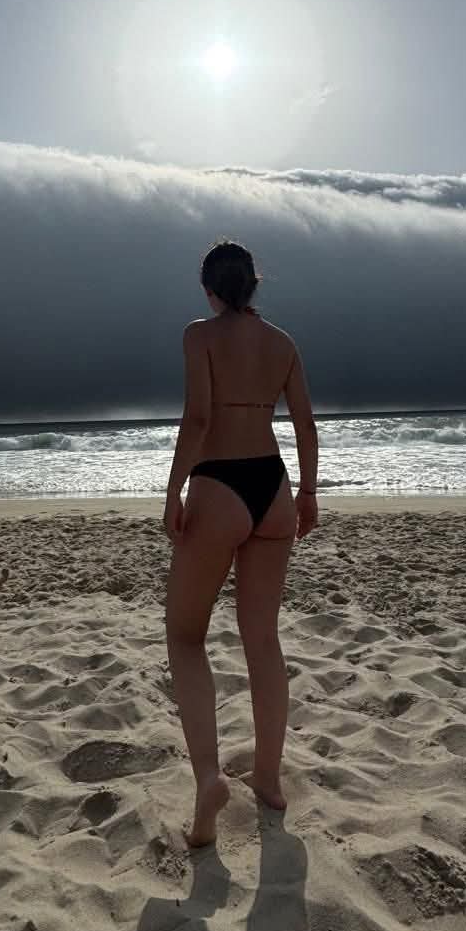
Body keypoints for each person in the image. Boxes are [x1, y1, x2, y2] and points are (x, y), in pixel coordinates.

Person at [163, 240, 318, 847]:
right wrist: (307, 493)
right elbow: (304, 422)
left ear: (209, 288)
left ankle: (208, 777)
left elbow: (198, 418)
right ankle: (270, 777)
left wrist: (174, 490)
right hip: (272, 485)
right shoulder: (282, 342)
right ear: (254, 285)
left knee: (185, 634)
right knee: (263, 638)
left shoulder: (199, 335)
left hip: (221, 482)